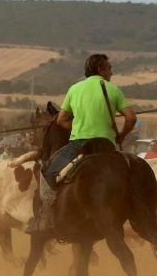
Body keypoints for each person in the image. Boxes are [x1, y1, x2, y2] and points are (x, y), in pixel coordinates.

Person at [29, 53, 137, 233]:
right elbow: (131, 118)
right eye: (109, 68)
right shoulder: (113, 89)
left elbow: (61, 120)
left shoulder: (74, 89)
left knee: (48, 171)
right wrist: (122, 135)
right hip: (106, 146)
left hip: (80, 145)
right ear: (100, 70)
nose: (111, 72)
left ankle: (45, 216)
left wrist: (79, 127)